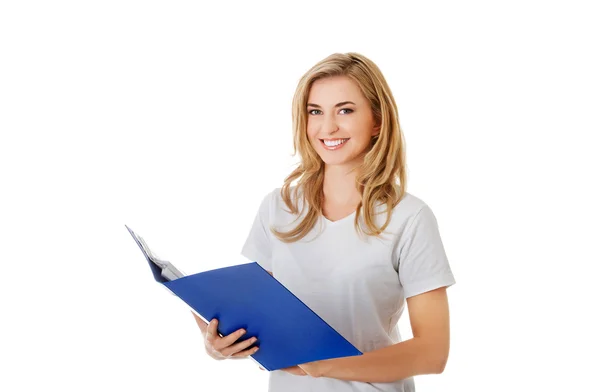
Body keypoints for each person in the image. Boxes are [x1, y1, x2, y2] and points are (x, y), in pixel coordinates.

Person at [192, 52, 456, 391]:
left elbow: (432, 353)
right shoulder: (279, 207)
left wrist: (323, 365)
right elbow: (261, 320)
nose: (328, 127)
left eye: (345, 110)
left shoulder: (409, 218)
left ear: (377, 120)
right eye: (315, 111)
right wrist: (222, 346)